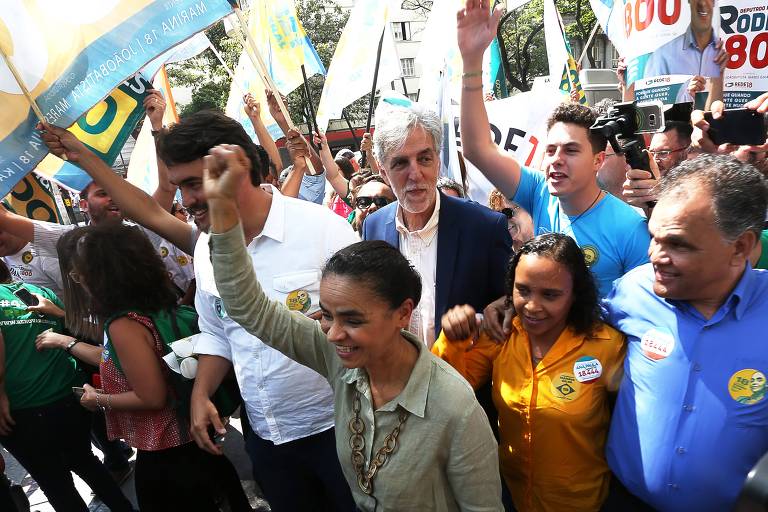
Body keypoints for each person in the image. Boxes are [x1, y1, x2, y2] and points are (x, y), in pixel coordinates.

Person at [40, 110, 359, 511]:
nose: (187, 200)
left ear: (237, 166)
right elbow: (217, 334)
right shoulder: (208, 250)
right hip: (267, 438)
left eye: (195, 184)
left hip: (342, 430)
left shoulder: (324, 231)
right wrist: (201, 394)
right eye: (180, 187)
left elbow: (373, 330)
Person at [201, 143, 504, 511]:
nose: (332, 334)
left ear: (402, 314)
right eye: (327, 315)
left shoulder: (455, 408)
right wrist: (222, 212)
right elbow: (250, 309)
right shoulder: (336, 358)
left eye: (353, 319)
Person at [601, 154, 768, 511]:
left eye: (677, 244)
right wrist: (504, 307)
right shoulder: (633, 290)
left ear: (739, 247)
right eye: (654, 237)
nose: (655, 256)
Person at [457, 1, 650, 297]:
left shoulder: (631, 228)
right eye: (551, 151)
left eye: (571, 151)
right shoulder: (539, 192)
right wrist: (471, 61)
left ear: (599, 160)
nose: (556, 160)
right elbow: (476, 149)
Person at [434, 233, 625, 511]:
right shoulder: (501, 334)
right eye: (523, 290)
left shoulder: (607, 346)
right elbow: (444, 393)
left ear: (575, 294)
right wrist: (452, 338)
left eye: (550, 295)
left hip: (583, 503)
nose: (533, 306)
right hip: (508, 496)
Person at [68, 224, 250, 512]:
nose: (81, 283)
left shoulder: (124, 325)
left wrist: (98, 399)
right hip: (198, 444)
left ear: (102, 277)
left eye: (81, 275)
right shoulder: (165, 308)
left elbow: (152, 397)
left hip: (169, 456)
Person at [363, 97, 512, 348]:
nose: (415, 173)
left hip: (466, 380)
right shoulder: (373, 226)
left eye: (424, 159)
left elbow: (511, 301)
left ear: (438, 160)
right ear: (382, 170)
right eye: (400, 163)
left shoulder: (484, 227)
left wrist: (479, 316)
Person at [0, 258, 134, 512]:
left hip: (20, 411)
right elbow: (73, 330)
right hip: (67, 399)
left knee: (55, 483)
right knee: (85, 461)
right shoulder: (38, 292)